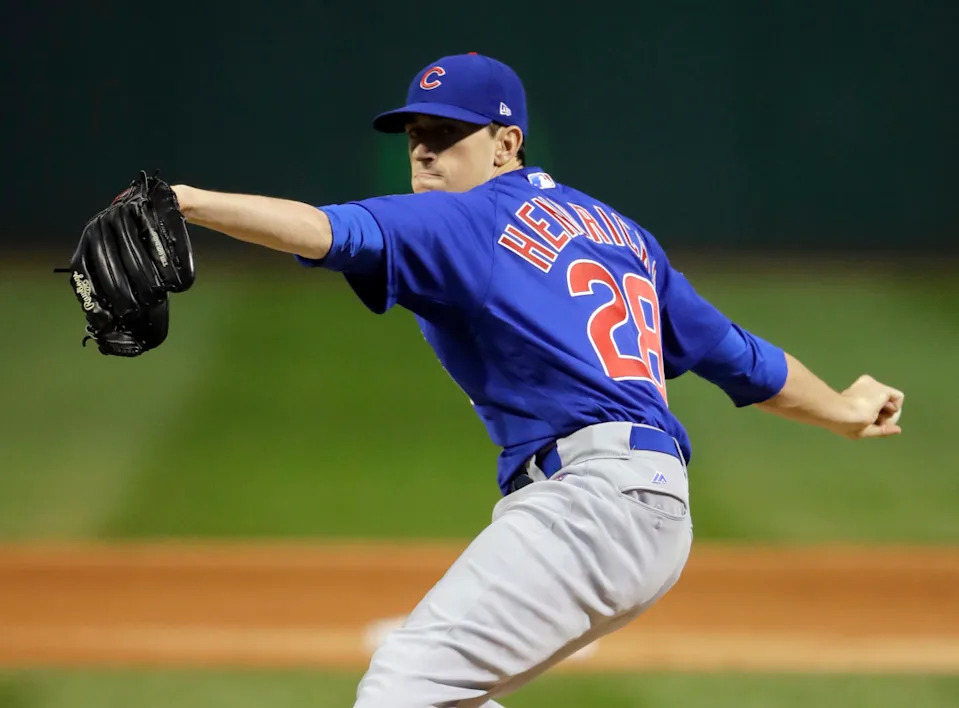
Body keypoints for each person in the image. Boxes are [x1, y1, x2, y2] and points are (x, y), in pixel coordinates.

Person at [169, 53, 904, 707]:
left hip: (591, 504)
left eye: (447, 132)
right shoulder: (618, 233)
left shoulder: (467, 221)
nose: (423, 148)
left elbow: (328, 230)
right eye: (415, 133)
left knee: (400, 688)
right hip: (647, 510)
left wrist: (187, 204)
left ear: (506, 144)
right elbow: (738, 356)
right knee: (447, 696)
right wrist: (843, 410)